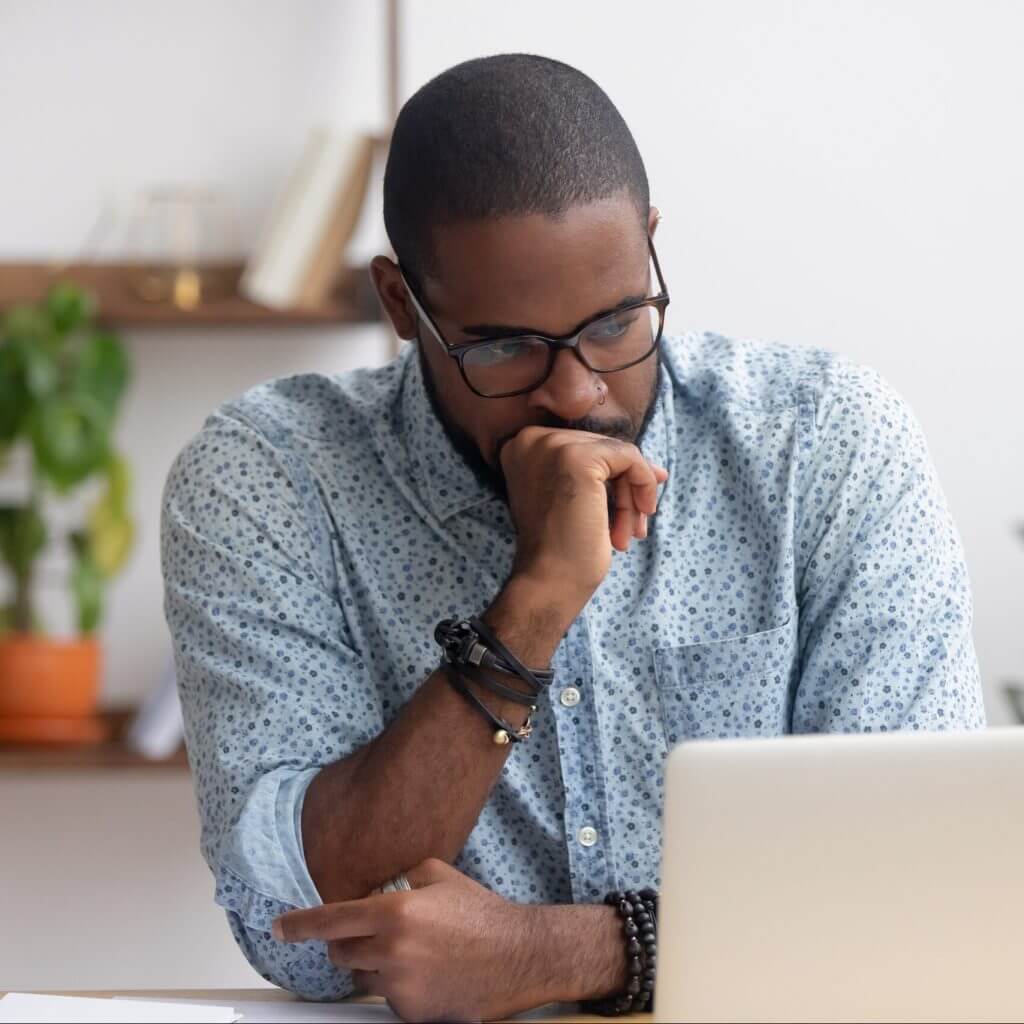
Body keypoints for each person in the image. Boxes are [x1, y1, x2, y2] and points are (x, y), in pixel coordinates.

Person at [161, 53, 985, 1021]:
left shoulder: (823, 443)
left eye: (614, 322)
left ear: (649, 247)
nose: (577, 391)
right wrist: (532, 605)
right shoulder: (274, 475)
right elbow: (296, 929)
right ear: (399, 304)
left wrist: (550, 954)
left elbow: (922, 886)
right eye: (504, 345)